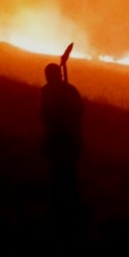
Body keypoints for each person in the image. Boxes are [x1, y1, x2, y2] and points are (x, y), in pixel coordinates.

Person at [41, 62, 83, 207]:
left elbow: (78, 111)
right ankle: (64, 202)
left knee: (65, 172)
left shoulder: (58, 91)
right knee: (61, 171)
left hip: (66, 138)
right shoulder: (65, 90)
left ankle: (67, 202)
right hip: (60, 138)